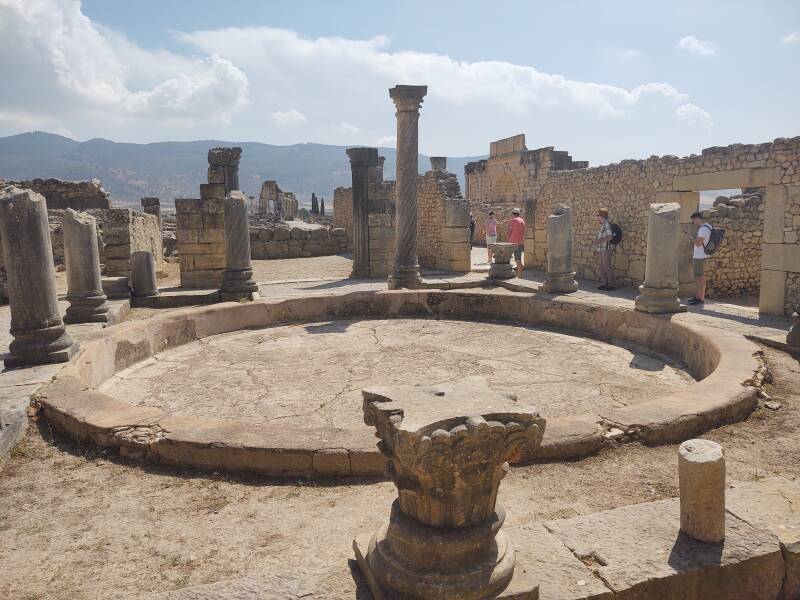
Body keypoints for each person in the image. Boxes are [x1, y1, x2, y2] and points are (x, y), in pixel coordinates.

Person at [688, 211, 711, 305]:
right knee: (698, 277)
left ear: (697, 218)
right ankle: (698, 297)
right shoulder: (708, 226)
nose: (693, 222)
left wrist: (691, 237)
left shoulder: (703, 229)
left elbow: (698, 244)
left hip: (699, 256)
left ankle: (700, 298)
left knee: (700, 278)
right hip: (701, 256)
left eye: (693, 220)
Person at [595, 208, 616, 291]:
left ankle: (611, 284)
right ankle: (605, 283)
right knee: (602, 266)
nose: (597, 218)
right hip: (603, 248)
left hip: (606, 248)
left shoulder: (606, 224)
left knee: (606, 266)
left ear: (601, 216)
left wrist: (599, 240)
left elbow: (610, 236)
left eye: (598, 216)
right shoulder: (604, 224)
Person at [507, 207, 525, 278]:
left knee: (507, 258)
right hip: (520, 242)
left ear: (513, 214)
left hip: (512, 243)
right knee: (518, 259)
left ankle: (513, 275)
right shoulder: (522, 221)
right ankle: (520, 276)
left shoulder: (512, 221)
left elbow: (509, 231)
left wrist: (507, 239)